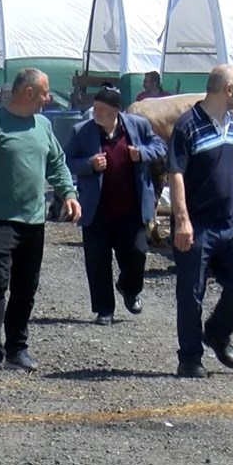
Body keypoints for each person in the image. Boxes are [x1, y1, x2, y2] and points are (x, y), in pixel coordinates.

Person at [0, 68, 81, 378]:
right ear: (30, 93)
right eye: (46, 92)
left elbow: (56, 163)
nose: (49, 98)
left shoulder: (43, 125)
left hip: (33, 221)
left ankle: (17, 348)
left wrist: (69, 194)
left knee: (26, 287)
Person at [168, 63, 233, 378]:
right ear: (228, 89)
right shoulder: (186, 126)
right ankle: (189, 358)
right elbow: (175, 174)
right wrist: (182, 220)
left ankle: (217, 333)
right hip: (198, 222)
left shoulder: (232, 121)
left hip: (232, 221)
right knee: (191, 292)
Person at [65, 85, 166, 326]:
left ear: (115, 111)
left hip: (130, 208)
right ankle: (104, 309)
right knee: (97, 260)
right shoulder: (82, 131)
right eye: (95, 108)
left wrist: (140, 153)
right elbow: (65, 161)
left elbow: (160, 147)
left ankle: (129, 288)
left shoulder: (137, 126)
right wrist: (89, 164)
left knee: (137, 254)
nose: (95, 112)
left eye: (101, 108)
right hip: (97, 209)